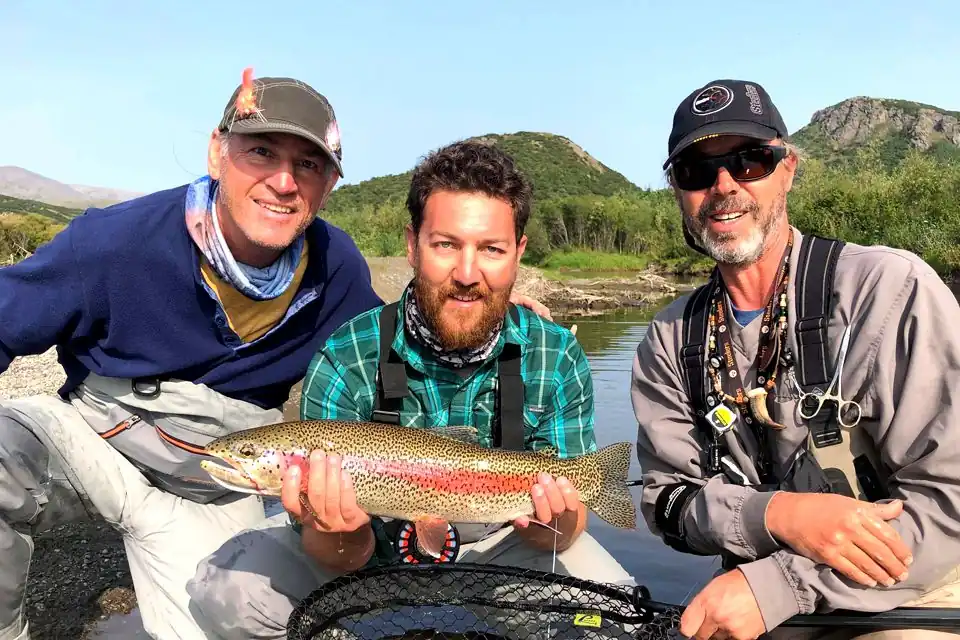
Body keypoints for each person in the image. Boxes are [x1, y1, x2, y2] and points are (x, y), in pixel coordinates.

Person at [0, 70, 548, 640]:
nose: (284, 182)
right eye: (261, 151)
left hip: (220, 487)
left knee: (227, 607)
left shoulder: (336, 267)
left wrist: (477, 302)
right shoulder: (112, 242)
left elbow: (390, 335)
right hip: (98, 449)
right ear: (217, 153)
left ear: (328, 185)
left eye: (308, 164)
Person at [186, 139, 634, 638]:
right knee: (226, 590)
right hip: (371, 557)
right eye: (445, 245)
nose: (468, 274)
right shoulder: (347, 355)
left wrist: (557, 519)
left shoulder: (555, 354)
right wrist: (340, 530)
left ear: (518, 254)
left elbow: (562, 536)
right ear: (412, 245)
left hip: (505, 543)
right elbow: (340, 557)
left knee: (615, 624)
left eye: (491, 249)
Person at [630, 78, 960, 640]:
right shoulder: (668, 337)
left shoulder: (889, 290)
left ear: (788, 168)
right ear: (678, 191)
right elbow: (667, 503)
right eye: (695, 171)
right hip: (753, 586)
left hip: (911, 585)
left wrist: (782, 585)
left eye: (749, 161)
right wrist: (777, 515)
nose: (723, 186)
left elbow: (949, 499)